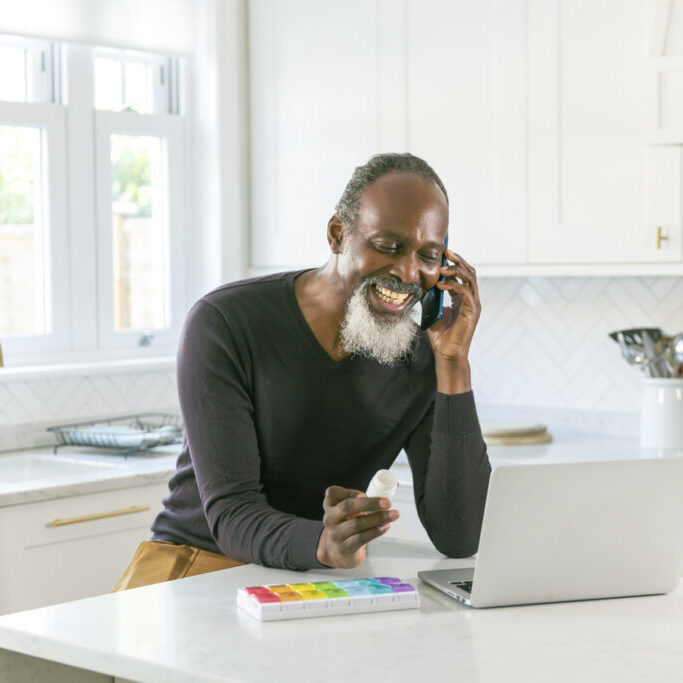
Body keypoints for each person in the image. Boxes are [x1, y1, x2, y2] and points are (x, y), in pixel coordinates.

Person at [114, 153, 491, 591]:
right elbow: (232, 513)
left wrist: (453, 365)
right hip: (195, 565)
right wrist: (322, 544)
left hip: (309, 575)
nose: (409, 272)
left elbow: (460, 535)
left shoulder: (421, 358)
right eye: (388, 246)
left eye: (428, 255)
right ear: (337, 234)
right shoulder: (226, 322)